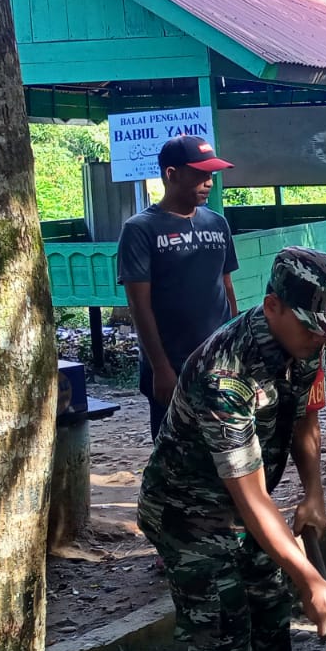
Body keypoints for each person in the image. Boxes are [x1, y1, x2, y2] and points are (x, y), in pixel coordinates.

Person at [138, 246, 326, 651]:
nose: (321, 339)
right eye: (312, 326)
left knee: (269, 607)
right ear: (273, 306)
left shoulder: (307, 342)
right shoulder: (225, 375)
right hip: (187, 513)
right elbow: (250, 495)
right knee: (224, 626)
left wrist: (314, 492)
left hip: (244, 507)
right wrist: (311, 578)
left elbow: (303, 417)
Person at [119, 134, 241, 439]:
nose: (209, 181)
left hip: (218, 363)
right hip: (172, 365)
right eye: (200, 173)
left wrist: (236, 347)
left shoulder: (217, 224)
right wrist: (160, 367)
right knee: (174, 451)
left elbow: (226, 287)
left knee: (225, 446)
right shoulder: (140, 229)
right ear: (171, 174)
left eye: (211, 174)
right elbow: (139, 305)